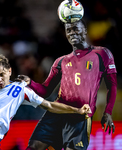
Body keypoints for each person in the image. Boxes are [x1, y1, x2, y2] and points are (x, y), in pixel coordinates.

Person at [16, 20, 117, 150]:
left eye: (75, 29)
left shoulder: (102, 53)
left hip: (80, 117)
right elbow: (45, 90)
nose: (72, 33)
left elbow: (112, 85)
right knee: (33, 146)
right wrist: (31, 83)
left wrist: (107, 112)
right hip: (56, 112)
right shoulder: (61, 61)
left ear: (85, 30)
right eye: (68, 30)